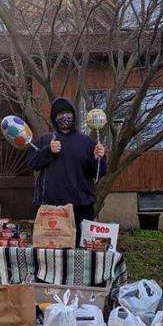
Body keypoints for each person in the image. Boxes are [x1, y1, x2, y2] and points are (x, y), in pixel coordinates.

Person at [26, 97, 106, 245]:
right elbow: (31, 163)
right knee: (50, 254)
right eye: (59, 114)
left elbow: (98, 174)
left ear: (74, 116)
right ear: (54, 118)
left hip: (80, 210)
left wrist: (97, 158)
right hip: (50, 209)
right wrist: (48, 151)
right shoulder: (46, 140)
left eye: (67, 113)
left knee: (80, 253)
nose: (64, 117)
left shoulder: (87, 142)